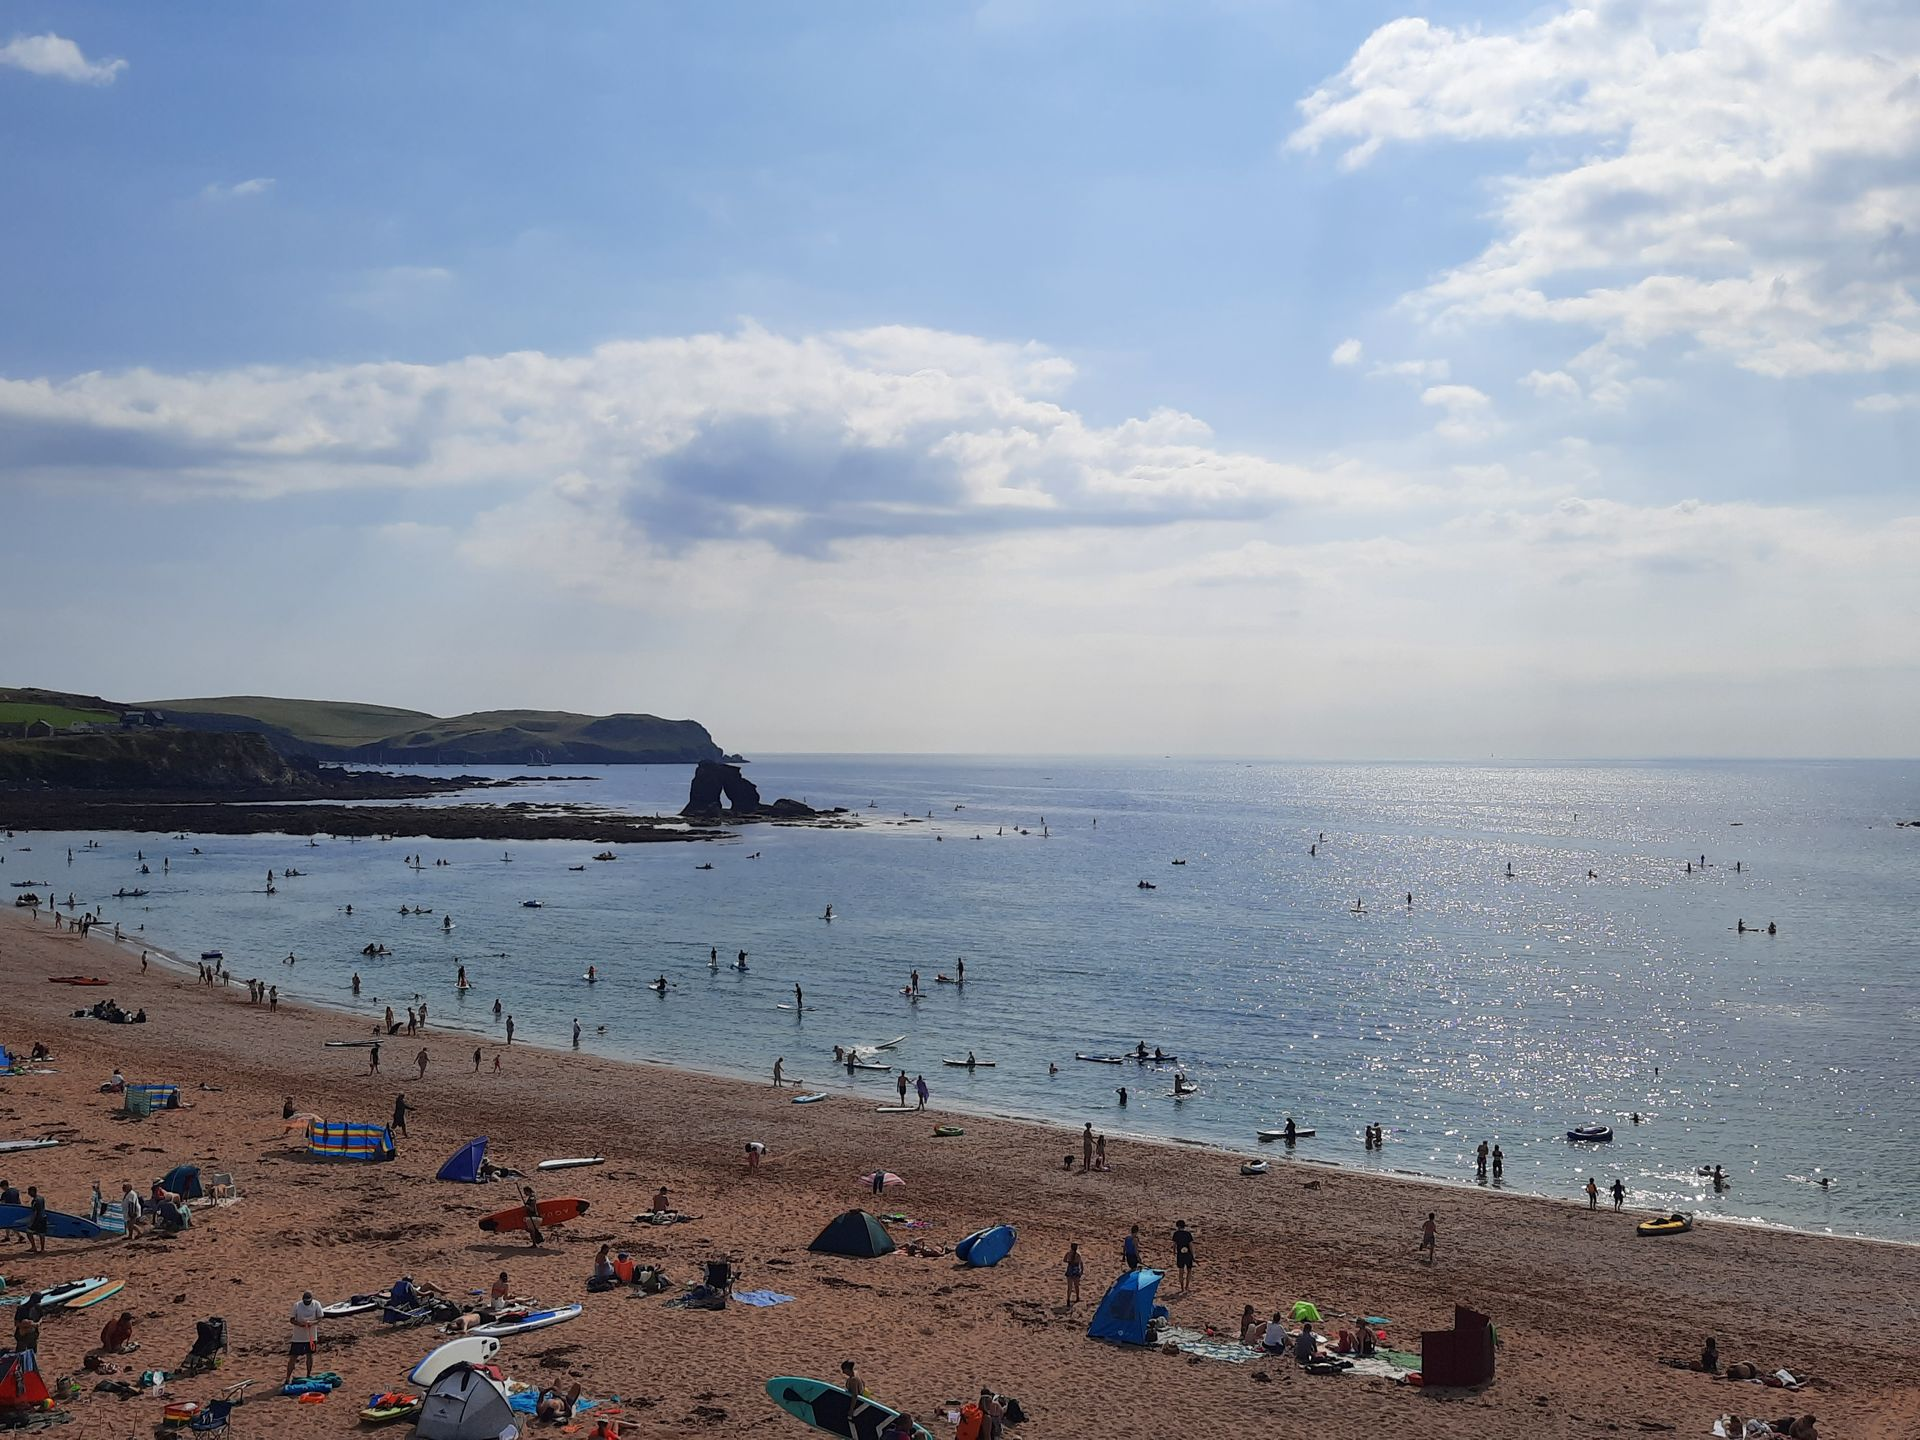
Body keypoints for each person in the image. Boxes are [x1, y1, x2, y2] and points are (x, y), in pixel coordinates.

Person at [286, 1291, 322, 1382]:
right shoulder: (297, 1305)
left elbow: (320, 1318)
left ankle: (308, 1375)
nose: (307, 1303)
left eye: (308, 1302)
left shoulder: (316, 1304)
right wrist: (300, 1324)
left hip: (311, 1336)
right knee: (293, 1356)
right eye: (305, 1302)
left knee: (309, 1355)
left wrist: (312, 1323)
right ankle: (287, 1378)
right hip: (298, 1337)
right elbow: (292, 1319)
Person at [1172, 1219, 1195, 1291]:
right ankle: (1187, 1286)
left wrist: (1174, 1252)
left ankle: (1182, 1287)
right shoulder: (1188, 1234)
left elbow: (1174, 1245)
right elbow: (1190, 1245)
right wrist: (1193, 1255)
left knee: (1181, 1271)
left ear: (1178, 1226)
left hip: (1180, 1254)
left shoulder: (1176, 1234)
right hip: (1188, 1254)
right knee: (1189, 1270)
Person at [24, 1186, 48, 1253]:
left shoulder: (35, 1200)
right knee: (42, 1234)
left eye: (29, 1192)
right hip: (44, 1217)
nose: (29, 1194)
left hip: (38, 1219)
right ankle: (42, 1249)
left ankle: (33, 1247)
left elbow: (35, 1212)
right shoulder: (41, 1198)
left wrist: (31, 1222)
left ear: (32, 1191)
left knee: (28, 1232)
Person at [1063, 1242, 1083, 1308]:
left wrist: (1069, 1262)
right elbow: (1081, 1263)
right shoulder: (1078, 1254)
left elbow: (1064, 1260)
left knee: (1069, 1287)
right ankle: (1077, 1297)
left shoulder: (1068, 1253)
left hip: (1070, 1269)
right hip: (1076, 1269)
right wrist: (1082, 1271)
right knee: (1076, 1285)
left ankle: (1068, 1299)